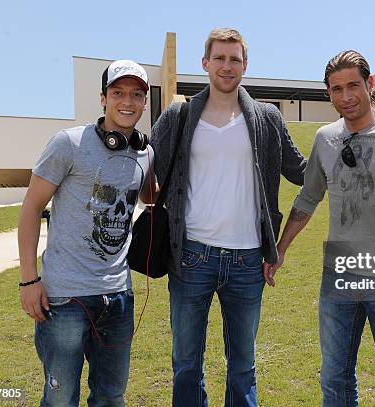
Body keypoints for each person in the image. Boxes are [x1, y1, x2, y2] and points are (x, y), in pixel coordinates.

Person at [264, 50, 375, 407]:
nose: (346, 96)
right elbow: (307, 198)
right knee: (334, 376)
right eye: (336, 89)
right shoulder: (325, 138)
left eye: (353, 86)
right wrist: (281, 250)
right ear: (328, 92)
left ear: (370, 84)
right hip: (338, 275)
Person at [150, 28, 306, 407]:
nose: (227, 65)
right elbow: (144, 165)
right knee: (186, 363)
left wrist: (347, 142)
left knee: (243, 365)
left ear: (245, 65)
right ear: (205, 63)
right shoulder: (180, 114)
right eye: (219, 58)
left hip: (248, 260)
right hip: (191, 256)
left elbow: (302, 172)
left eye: (235, 59)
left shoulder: (267, 117)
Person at [18, 59, 155, 406]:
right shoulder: (68, 143)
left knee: (111, 396)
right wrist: (28, 279)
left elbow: (148, 196)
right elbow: (31, 209)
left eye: (137, 94)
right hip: (65, 299)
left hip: (118, 298)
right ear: (103, 99)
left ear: (144, 102)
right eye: (118, 92)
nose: (128, 101)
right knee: (61, 399)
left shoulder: (145, 152)